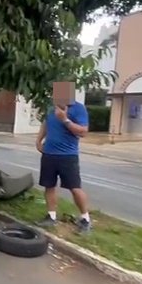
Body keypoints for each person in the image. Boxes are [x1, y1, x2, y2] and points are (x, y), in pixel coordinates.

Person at [35, 93, 91, 233]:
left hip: (68, 156)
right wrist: (38, 140)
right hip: (49, 154)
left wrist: (65, 119)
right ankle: (51, 216)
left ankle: (85, 219)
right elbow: (46, 124)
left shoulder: (78, 108)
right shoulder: (51, 107)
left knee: (75, 188)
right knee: (49, 186)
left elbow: (83, 132)